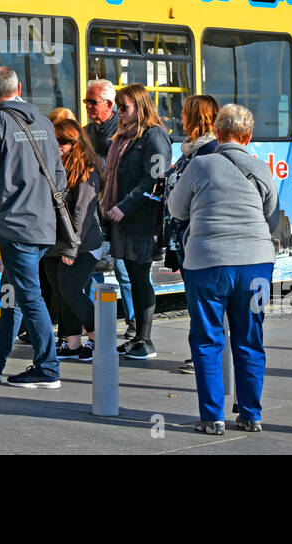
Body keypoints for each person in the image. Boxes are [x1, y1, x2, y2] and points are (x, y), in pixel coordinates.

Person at [167, 104, 279, 434]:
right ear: (249, 136)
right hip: (256, 265)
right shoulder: (260, 167)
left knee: (207, 340)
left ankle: (213, 416)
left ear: (217, 133)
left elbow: (176, 208)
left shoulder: (201, 165)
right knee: (250, 338)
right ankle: (250, 414)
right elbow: (271, 216)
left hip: (207, 263)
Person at [0, 66, 67, 389]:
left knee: (29, 296)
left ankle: (47, 366)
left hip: (15, 225)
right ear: (19, 87)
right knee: (11, 291)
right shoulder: (43, 122)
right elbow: (59, 175)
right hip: (41, 225)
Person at [100, 83, 172, 360]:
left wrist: (125, 206)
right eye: (118, 107)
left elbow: (154, 179)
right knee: (133, 276)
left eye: (125, 107)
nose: (120, 113)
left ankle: (145, 339)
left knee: (140, 278)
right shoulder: (127, 137)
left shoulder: (153, 137)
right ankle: (138, 337)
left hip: (141, 219)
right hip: (126, 218)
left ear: (140, 107)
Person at [160, 94, 221, 375]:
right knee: (196, 300)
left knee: (202, 301)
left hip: (196, 236)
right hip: (183, 236)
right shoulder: (190, 151)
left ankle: (206, 357)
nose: (180, 118)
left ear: (195, 117)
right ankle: (203, 354)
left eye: (184, 113)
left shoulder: (209, 151)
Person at [45, 119, 104, 362]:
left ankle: (100, 338)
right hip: (54, 242)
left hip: (82, 244)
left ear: (76, 143)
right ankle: (72, 343)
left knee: (71, 290)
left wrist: (72, 247)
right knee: (60, 291)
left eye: (64, 142)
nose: (59, 146)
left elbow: (83, 214)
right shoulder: (54, 165)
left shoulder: (86, 170)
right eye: (55, 140)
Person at [83, 78, 136, 336]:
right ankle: (96, 322)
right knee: (91, 268)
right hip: (92, 208)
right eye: (86, 102)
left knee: (124, 269)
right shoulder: (86, 132)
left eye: (93, 102)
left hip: (117, 208)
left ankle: (134, 321)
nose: (89, 107)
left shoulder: (124, 130)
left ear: (109, 104)